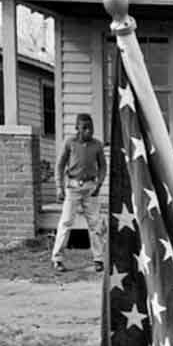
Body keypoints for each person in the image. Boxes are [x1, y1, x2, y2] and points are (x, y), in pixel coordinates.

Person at [51, 113, 107, 273]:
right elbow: (60, 166)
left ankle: (98, 259)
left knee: (95, 224)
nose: (89, 131)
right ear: (78, 128)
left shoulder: (97, 145)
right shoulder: (70, 143)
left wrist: (99, 184)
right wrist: (59, 187)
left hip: (91, 188)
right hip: (73, 187)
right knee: (66, 222)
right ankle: (57, 258)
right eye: (85, 128)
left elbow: (103, 166)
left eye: (91, 128)